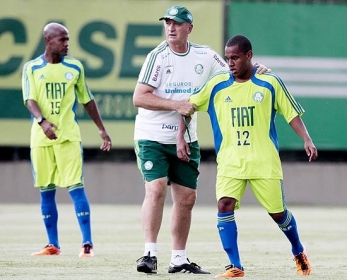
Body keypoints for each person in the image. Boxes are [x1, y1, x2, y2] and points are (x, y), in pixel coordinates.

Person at [133, 6, 269, 274]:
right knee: (157, 188)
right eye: (168, 23)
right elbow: (140, 97)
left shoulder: (205, 56)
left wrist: (257, 70)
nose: (171, 28)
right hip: (152, 136)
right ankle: (149, 254)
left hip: (187, 138)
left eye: (177, 23)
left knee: (186, 198)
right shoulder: (157, 57)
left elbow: (232, 72)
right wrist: (177, 104)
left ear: (189, 28)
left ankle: (179, 259)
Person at [177, 35, 318, 278]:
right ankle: (235, 266)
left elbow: (291, 113)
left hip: (264, 161)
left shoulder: (270, 82)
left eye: (235, 57)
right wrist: (181, 136)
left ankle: (298, 250)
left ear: (249, 56)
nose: (230, 63)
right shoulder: (217, 85)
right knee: (224, 205)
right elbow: (187, 108)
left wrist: (307, 139)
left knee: (279, 214)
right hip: (230, 162)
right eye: (227, 58)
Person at [21, 22, 112, 258]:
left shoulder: (75, 68)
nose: (67, 44)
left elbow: (87, 100)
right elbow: (29, 100)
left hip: (68, 137)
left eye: (68, 39)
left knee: (76, 188)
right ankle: (53, 245)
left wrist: (101, 130)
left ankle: (87, 244)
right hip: (40, 139)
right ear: (48, 41)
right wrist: (42, 122)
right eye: (62, 39)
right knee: (46, 190)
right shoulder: (31, 68)